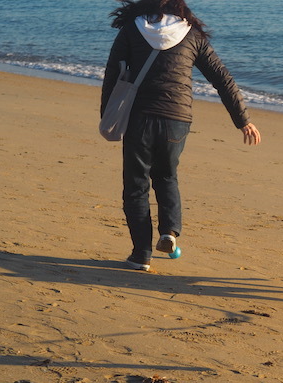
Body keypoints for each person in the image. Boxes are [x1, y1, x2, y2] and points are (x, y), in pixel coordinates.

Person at [101, 0, 261, 271]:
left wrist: (107, 114)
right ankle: (169, 233)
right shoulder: (191, 34)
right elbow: (222, 78)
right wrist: (242, 120)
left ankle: (141, 255)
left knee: (136, 186)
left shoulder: (132, 28)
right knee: (166, 176)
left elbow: (112, 73)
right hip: (177, 120)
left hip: (139, 117)